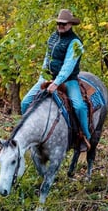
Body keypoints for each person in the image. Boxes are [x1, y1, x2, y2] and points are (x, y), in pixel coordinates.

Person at [20, 9, 91, 149]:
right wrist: (43, 76)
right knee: (25, 102)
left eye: (64, 24)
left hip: (68, 80)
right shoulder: (52, 37)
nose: (60, 26)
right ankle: (30, 132)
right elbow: (47, 58)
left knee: (79, 106)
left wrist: (57, 82)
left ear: (71, 24)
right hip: (48, 77)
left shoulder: (75, 42)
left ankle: (84, 136)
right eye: (59, 23)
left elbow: (68, 65)